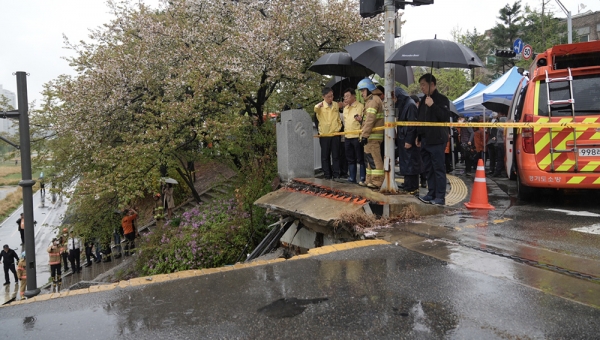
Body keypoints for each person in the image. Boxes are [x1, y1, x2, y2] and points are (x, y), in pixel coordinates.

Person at [415, 74, 451, 206]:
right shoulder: (423, 99)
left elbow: (445, 117)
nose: (422, 88)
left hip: (437, 139)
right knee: (428, 168)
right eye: (421, 85)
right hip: (425, 139)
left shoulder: (441, 99)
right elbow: (420, 120)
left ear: (432, 84)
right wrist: (419, 137)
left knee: (438, 168)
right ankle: (431, 193)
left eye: (423, 85)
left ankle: (440, 197)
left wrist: (433, 105)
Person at [357, 78, 384, 189]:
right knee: (369, 159)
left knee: (374, 159)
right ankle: (369, 180)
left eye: (363, 90)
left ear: (368, 90)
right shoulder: (371, 100)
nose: (362, 93)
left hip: (372, 136)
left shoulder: (373, 101)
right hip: (370, 136)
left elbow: (370, 120)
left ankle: (377, 182)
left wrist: (364, 135)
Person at [394, 87, 421, 195]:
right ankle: (408, 184)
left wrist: (409, 140)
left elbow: (412, 125)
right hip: (403, 137)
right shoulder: (404, 105)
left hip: (407, 138)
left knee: (411, 163)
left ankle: (412, 186)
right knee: (406, 162)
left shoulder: (410, 105)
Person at [314, 86, 342, 180]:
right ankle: (327, 175)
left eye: (332, 96)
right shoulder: (320, 106)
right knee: (325, 156)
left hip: (335, 134)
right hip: (324, 135)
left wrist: (339, 127)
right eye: (328, 96)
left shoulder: (335, 105)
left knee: (336, 156)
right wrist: (318, 105)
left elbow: (338, 117)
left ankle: (336, 175)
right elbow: (315, 110)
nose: (331, 98)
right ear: (323, 96)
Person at [341, 88, 366, 185]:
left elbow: (364, 121)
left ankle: (363, 178)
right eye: (344, 97)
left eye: (347, 96)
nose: (345, 98)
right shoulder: (345, 108)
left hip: (357, 136)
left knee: (360, 158)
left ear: (353, 96)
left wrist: (360, 120)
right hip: (347, 137)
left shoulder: (360, 106)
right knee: (350, 158)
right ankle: (352, 177)